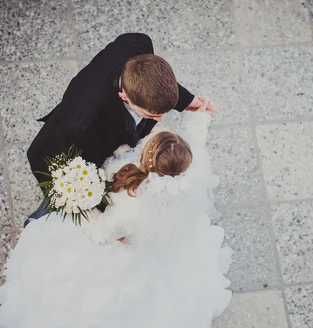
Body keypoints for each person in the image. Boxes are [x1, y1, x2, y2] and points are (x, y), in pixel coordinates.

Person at [0, 102, 231, 328]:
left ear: (149, 161)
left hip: (123, 254)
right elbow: (197, 137)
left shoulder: (130, 208)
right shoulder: (192, 167)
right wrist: (201, 115)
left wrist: (79, 206)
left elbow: (101, 233)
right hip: (165, 250)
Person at [25, 33, 215, 224]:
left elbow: (154, 82)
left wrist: (187, 101)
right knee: (61, 201)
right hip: (74, 152)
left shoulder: (138, 45)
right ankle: (36, 223)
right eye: (151, 115)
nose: (160, 119)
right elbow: (66, 173)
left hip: (104, 132)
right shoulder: (80, 123)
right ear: (125, 96)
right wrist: (101, 216)